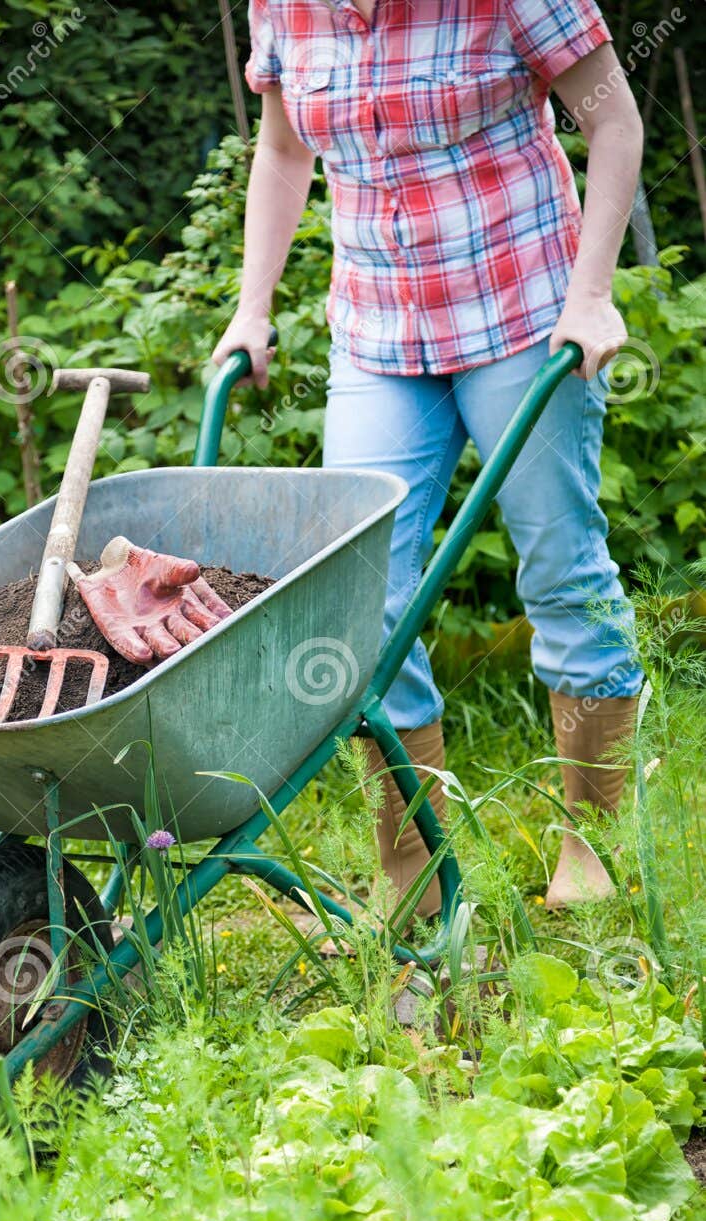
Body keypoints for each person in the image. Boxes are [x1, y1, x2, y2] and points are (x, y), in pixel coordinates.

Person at [213, 0, 644, 913]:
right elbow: (286, 152)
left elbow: (612, 118)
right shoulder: (281, 6)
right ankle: (411, 870)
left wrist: (592, 293)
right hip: (376, 333)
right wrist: (252, 309)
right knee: (362, 592)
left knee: (563, 570)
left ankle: (591, 848)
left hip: (527, 315)